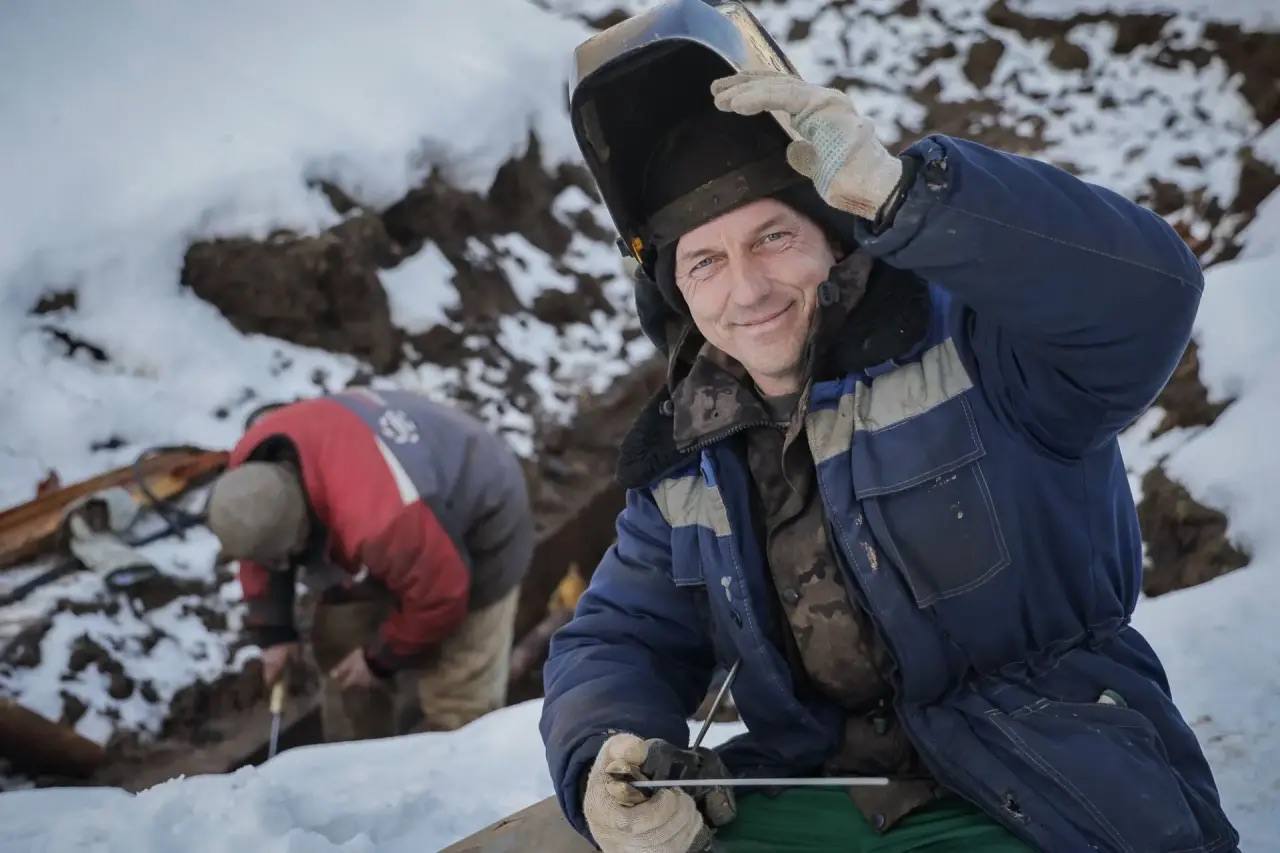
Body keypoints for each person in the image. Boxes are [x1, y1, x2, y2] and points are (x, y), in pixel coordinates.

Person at [539, 2, 1238, 851]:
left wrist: (911, 196)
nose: (746, 290)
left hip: (1050, 781)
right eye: (706, 261)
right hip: (821, 793)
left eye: (772, 237)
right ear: (677, 292)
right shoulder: (687, 458)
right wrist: (602, 753)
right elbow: (620, 635)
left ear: (834, 235)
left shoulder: (981, 346)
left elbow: (1149, 297)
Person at [208, 388, 533, 740]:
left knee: (459, 693)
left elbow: (441, 597)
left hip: (482, 511)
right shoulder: (252, 468)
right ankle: (360, 752)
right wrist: (274, 632)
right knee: (340, 645)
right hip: (406, 510)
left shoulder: (382, 521)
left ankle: (457, 746)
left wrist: (378, 661)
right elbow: (259, 547)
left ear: (303, 529)